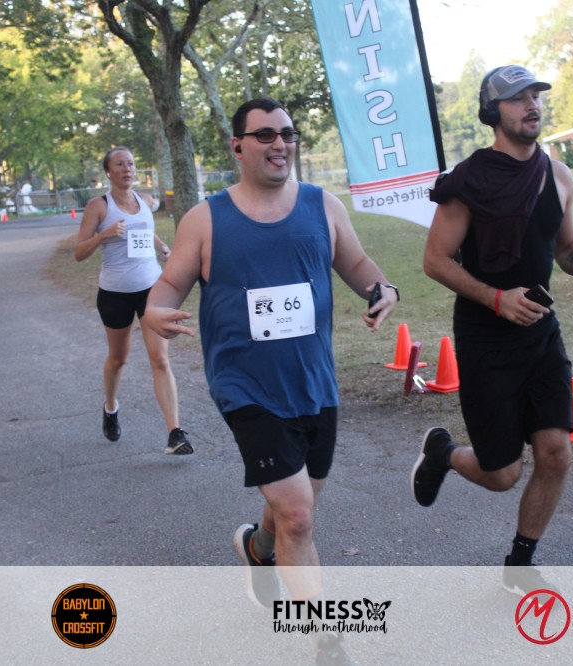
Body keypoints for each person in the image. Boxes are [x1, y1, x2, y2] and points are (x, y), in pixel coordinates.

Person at [142, 98, 397, 664]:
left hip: (314, 383)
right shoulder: (205, 219)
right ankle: (326, 643)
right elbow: (170, 284)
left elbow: (357, 264)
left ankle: (259, 550)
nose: (280, 144)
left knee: (292, 508)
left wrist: (384, 289)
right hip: (245, 386)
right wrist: (154, 310)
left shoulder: (322, 204)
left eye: (287, 133)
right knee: (299, 514)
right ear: (237, 146)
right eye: (265, 135)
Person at [414, 65, 573, 596]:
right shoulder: (469, 180)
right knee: (502, 475)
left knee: (556, 452)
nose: (532, 105)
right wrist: (497, 298)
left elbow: (565, 247)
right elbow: (435, 260)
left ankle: (519, 565)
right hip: (485, 339)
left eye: (536, 96)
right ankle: (443, 453)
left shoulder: (557, 174)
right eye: (518, 98)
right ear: (493, 111)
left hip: (541, 333)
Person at [74, 147, 192, 455]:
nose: (127, 169)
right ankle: (111, 407)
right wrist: (103, 235)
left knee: (160, 359)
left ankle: (175, 433)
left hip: (151, 290)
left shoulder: (147, 201)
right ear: (108, 171)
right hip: (115, 294)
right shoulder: (99, 206)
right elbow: (79, 253)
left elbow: (143, 230)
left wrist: (162, 246)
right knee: (119, 358)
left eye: (130, 164)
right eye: (120, 164)